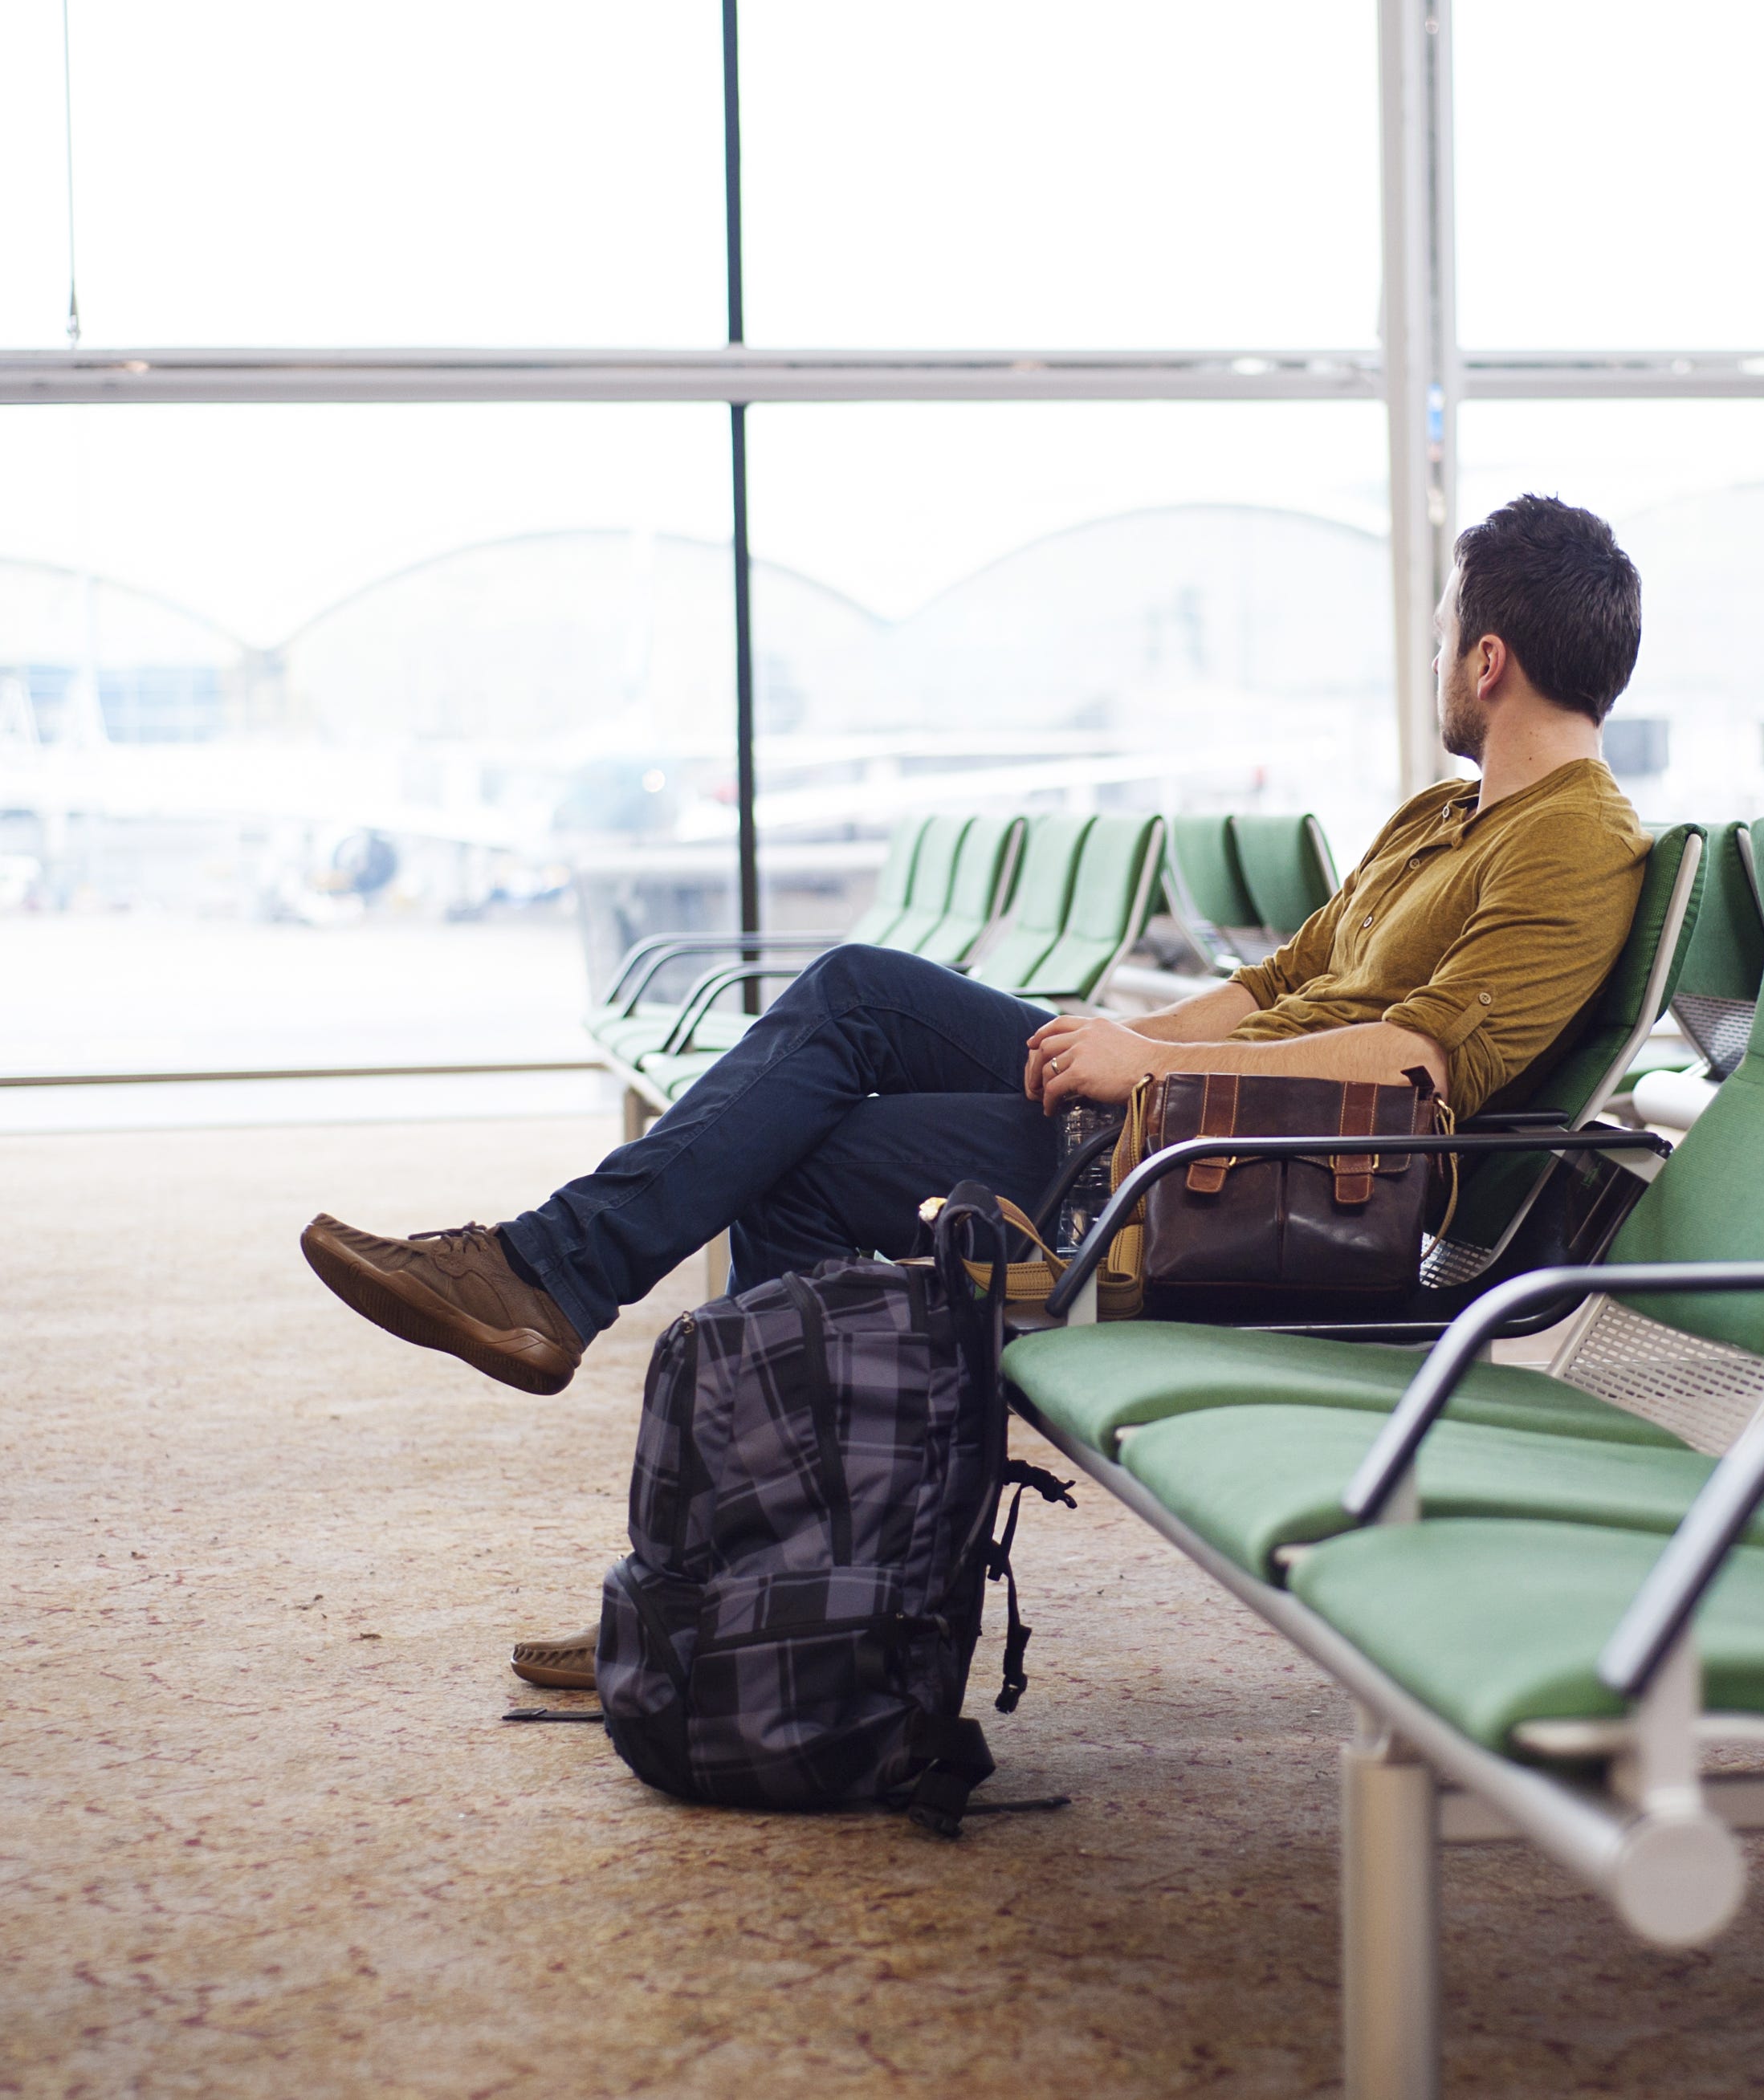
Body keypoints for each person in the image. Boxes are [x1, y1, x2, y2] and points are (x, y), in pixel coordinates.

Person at [300, 493, 1654, 1687]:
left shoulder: (1577, 840)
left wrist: (1152, 1071)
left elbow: (1421, 1063)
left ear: (1487, 659)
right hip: (1185, 1118)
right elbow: (1273, 983)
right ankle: (698, 1535)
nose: (1431, 666)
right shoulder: (1435, 816)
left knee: (817, 1137)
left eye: (1438, 641)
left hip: (1264, 1181)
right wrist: (1105, 1043)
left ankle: (675, 1514)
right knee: (858, 996)